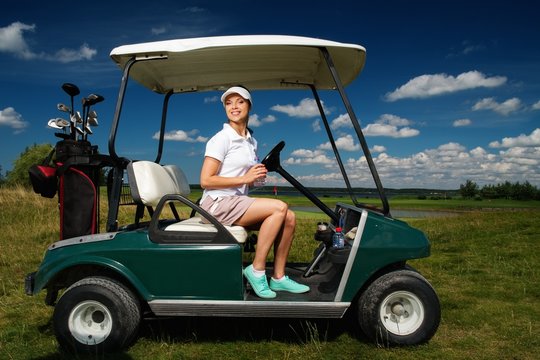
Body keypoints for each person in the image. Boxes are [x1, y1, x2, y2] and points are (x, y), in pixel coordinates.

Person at [200, 86, 309, 299]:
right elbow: (205, 180)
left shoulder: (251, 140)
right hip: (216, 204)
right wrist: (245, 179)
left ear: (249, 106)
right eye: (229, 103)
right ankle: (256, 270)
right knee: (279, 208)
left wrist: (253, 181)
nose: (234, 107)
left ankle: (278, 277)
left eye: (240, 102)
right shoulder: (221, 138)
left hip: (236, 201)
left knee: (289, 218)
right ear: (224, 108)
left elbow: (243, 180)